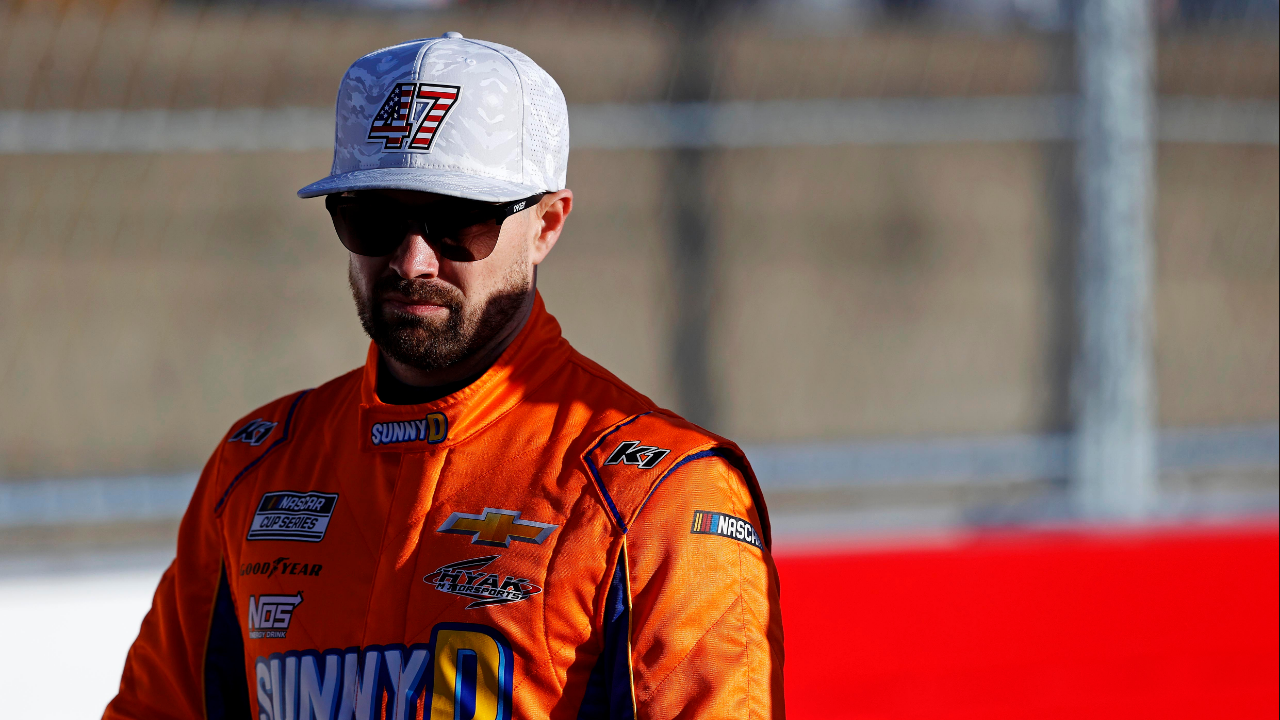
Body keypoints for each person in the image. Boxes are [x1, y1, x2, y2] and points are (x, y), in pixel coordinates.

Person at [105, 32, 783, 720]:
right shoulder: (257, 468)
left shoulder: (657, 492)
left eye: (459, 219)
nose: (413, 261)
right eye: (372, 218)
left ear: (547, 223)